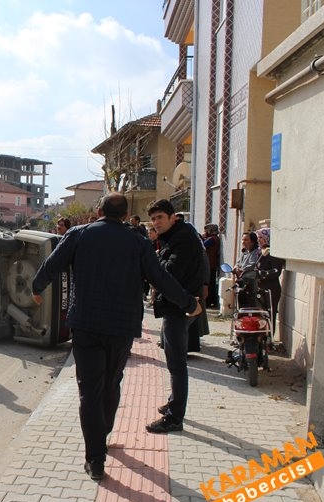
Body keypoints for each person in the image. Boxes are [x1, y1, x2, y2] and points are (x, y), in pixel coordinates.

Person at [30, 193, 201, 482]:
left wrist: (37, 287)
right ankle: (103, 435)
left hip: (85, 324)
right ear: (125, 215)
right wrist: (188, 303)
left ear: (99, 211)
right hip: (121, 327)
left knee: (89, 391)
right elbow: (161, 278)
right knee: (111, 383)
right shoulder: (138, 242)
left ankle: (95, 458)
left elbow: (51, 265)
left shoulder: (78, 234)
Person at [146, 199, 207, 434]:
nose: (156, 223)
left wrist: (154, 266)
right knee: (173, 358)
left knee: (176, 365)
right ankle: (174, 403)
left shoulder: (182, 239)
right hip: (180, 304)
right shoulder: (178, 235)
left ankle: (175, 417)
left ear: (173, 217)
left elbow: (168, 273)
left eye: (160, 217)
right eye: (153, 219)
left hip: (179, 307)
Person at [255, 228, 285, 330]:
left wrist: (262, 274)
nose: (259, 240)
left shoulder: (274, 253)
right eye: (258, 238)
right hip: (260, 287)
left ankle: (269, 338)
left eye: (261, 238)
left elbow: (276, 271)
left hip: (271, 289)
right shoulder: (261, 252)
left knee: (270, 314)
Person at [203, 224, 221, 308]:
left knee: (209, 284)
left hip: (210, 265)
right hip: (211, 265)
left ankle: (209, 301)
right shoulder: (214, 238)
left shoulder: (212, 239)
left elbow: (203, 245)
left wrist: (201, 237)